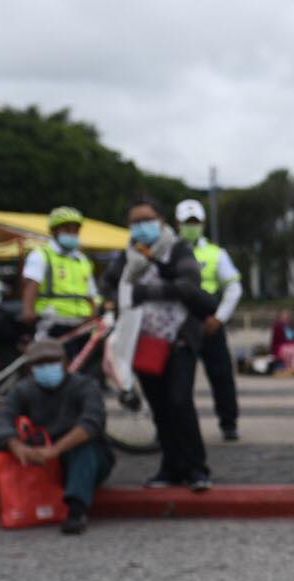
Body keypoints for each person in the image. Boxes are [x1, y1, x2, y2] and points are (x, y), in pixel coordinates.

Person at [0, 338, 113, 537]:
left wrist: (55, 450)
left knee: (86, 448)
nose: (46, 367)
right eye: (40, 363)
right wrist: (17, 447)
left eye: (51, 361)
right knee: (2, 454)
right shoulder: (23, 390)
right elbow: (3, 420)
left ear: (65, 362)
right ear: (31, 368)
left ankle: (77, 510)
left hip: (74, 456)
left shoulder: (85, 386)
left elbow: (91, 423)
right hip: (38, 457)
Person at [114, 196, 217, 491]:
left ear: (161, 221)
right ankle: (170, 468)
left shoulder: (177, 249)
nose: (141, 227)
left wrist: (142, 292)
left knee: (179, 401)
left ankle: (197, 468)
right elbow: (111, 284)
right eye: (135, 222)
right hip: (143, 339)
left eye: (147, 220)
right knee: (158, 405)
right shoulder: (127, 255)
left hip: (180, 335)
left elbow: (187, 286)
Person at [174, 200, 243, 442]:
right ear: (178, 224)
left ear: (203, 224)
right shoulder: (169, 252)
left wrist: (220, 318)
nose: (191, 227)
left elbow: (233, 288)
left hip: (209, 322)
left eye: (195, 223)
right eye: (187, 223)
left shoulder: (216, 253)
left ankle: (229, 423)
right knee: (178, 380)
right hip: (180, 324)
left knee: (221, 375)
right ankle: (172, 426)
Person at [20, 206, 100, 360]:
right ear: (54, 231)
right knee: (48, 361)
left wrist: (94, 313)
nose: (72, 234)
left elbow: (92, 293)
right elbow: (31, 285)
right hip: (52, 322)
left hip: (81, 325)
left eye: (75, 230)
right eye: (67, 229)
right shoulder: (42, 255)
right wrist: (28, 311)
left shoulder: (82, 260)